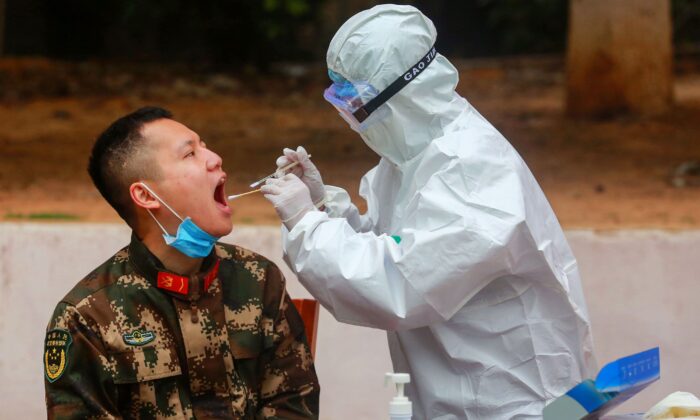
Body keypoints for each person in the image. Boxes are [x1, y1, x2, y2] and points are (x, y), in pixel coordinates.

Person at [261, 4, 595, 419]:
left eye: (359, 106)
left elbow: (394, 286)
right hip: (453, 396)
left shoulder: (471, 173)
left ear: (405, 95)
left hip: (512, 403)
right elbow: (391, 245)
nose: (352, 120)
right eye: (341, 102)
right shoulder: (412, 159)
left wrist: (306, 224)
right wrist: (325, 209)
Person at [43, 107, 320, 419]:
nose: (214, 158)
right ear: (146, 196)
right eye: (190, 154)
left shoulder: (257, 279)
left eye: (204, 145)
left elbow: (294, 404)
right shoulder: (88, 317)